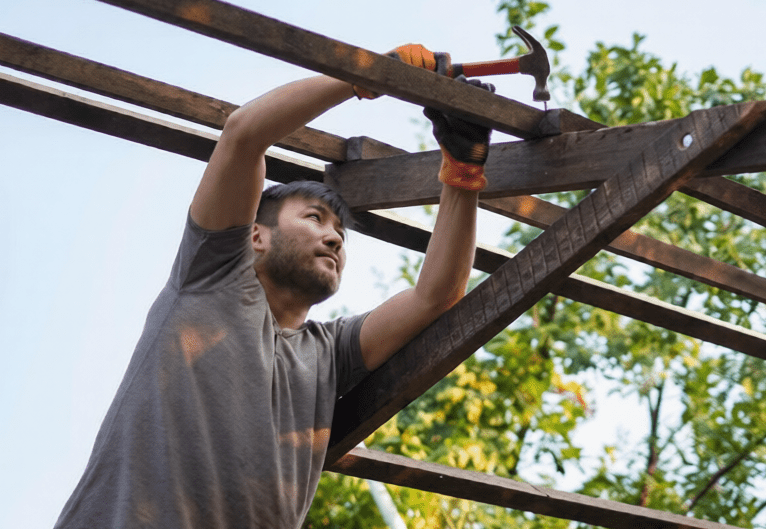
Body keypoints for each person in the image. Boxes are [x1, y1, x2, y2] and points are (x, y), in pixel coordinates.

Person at [54, 45, 495, 529]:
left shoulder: (330, 353)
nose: (333, 237)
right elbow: (244, 135)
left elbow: (436, 295)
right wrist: (367, 75)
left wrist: (463, 171)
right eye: (315, 218)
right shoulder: (212, 274)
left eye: (341, 234)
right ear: (256, 236)